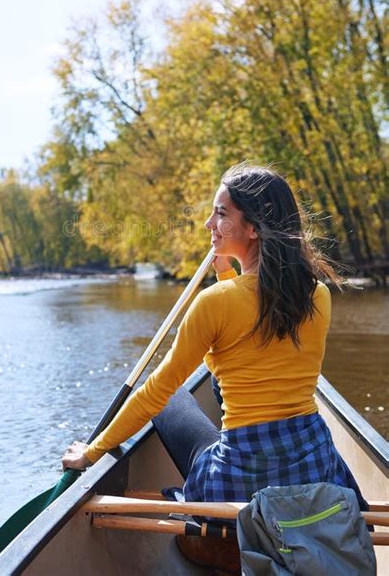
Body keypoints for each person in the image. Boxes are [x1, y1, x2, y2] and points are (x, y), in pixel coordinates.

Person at [61, 163, 368, 569]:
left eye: (221, 214)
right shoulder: (317, 295)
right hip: (311, 465)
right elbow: (254, 317)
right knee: (224, 384)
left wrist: (94, 450)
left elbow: (158, 391)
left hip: (240, 481)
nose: (209, 223)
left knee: (170, 398)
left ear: (255, 227)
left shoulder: (215, 304)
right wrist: (226, 269)